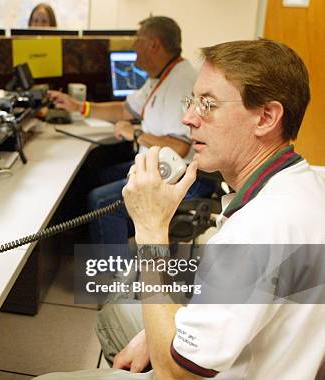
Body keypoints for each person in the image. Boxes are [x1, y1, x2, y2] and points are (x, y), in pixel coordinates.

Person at [18, 39, 325, 380]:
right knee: (118, 315)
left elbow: (174, 378)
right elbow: (241, 297)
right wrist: (163, 333)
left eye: (208, 105)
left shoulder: (260, 227)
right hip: (249, 360)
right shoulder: (299, 184)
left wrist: (150, 229)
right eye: (191, 101)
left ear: (265, 117)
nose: (189, 118)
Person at [49, 16, 213, 245]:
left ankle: (111, 273)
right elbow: (124, 109)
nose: (133, 46)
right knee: (98, 177)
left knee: (101, 202)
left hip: (180, 175)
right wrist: (79, 107)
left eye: (137, 40)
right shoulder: (163, 76)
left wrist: (135, 134)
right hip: (158, 164)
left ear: (154, 44)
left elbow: (179, 146)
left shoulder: (180, 83)